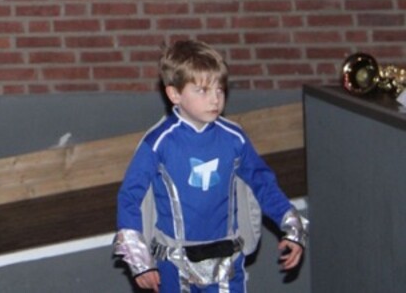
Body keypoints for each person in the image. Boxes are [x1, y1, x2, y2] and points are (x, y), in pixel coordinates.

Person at [113, 39, 307, 293]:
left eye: (220, 90)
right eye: (203, 90)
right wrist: (140, 261)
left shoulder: (234, 138)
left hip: (226, 262)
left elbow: (263, 185)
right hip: (173, 263)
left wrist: (291, 226)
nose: (215, 99)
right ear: (174, 94)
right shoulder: (158, 143)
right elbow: (129, 197)